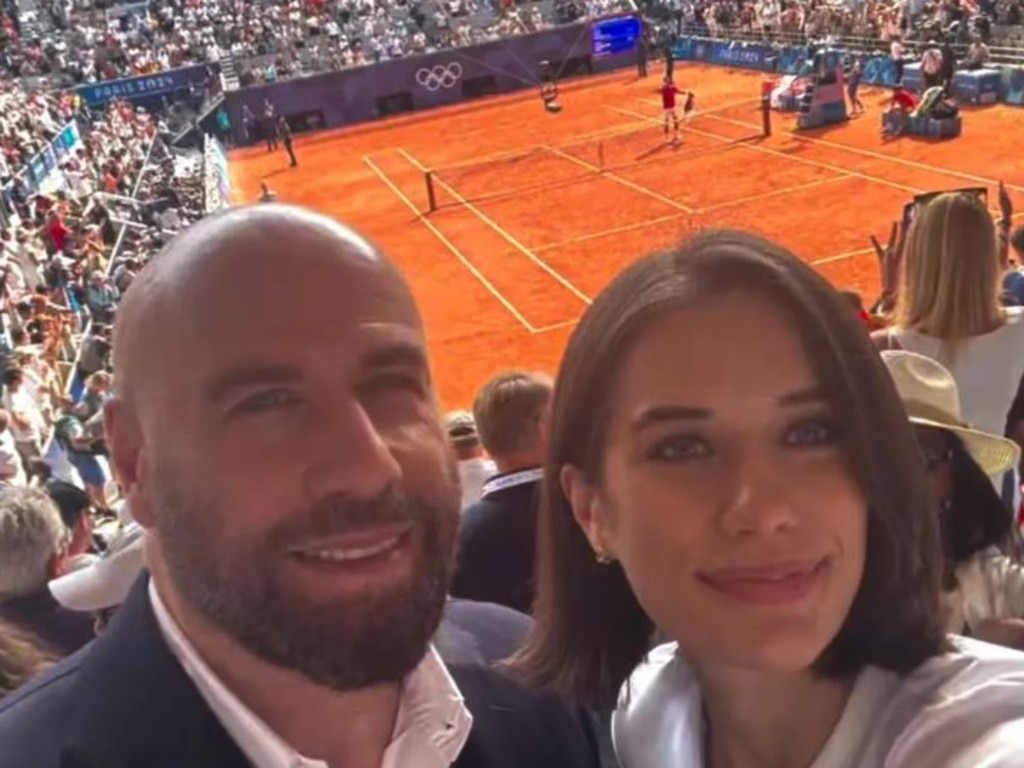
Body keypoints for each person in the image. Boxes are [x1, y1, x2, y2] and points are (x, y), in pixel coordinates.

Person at [0, 205, 599, 768]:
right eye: (267, 403)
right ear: (134, 465)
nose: (369, 466)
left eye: (392, 384)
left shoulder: (531, 676)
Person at [512, 229, 1024, 766]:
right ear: (592, 512)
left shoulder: (984, 741)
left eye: (811, 433)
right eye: (683, 448)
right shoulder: (648, 711)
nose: (763, 510)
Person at [880, 350, 1024, 647]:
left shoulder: (994, 584)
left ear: (953, 475)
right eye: (883, 454)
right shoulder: (808, 587)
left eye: (923, 455)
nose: (902, 476)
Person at [660, 77, 682, 144]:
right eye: (667, 81)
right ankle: (667, 137)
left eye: (669, 81)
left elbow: (678, 91)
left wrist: (687, 93)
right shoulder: (664, 89)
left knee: (676, 121)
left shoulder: (672, 88)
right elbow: (662, 89)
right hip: (666, 108)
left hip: (672, 107)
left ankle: (676, 135)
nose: (668, 83)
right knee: (667, 123)